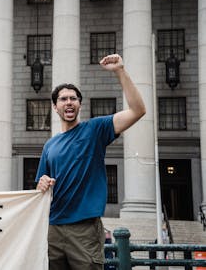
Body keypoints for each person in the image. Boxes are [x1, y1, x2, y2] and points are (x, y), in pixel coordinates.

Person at [35, 53, 146, 270]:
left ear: (79, 105)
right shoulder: (50, 145)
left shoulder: (95, 129)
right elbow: (41, 185)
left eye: (73, 98)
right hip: (52, 229)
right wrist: (42, 183)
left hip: (84, 230)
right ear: (55, 107)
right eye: (63, 99)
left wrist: (120, 71)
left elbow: (137, 111)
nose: (69, 102)